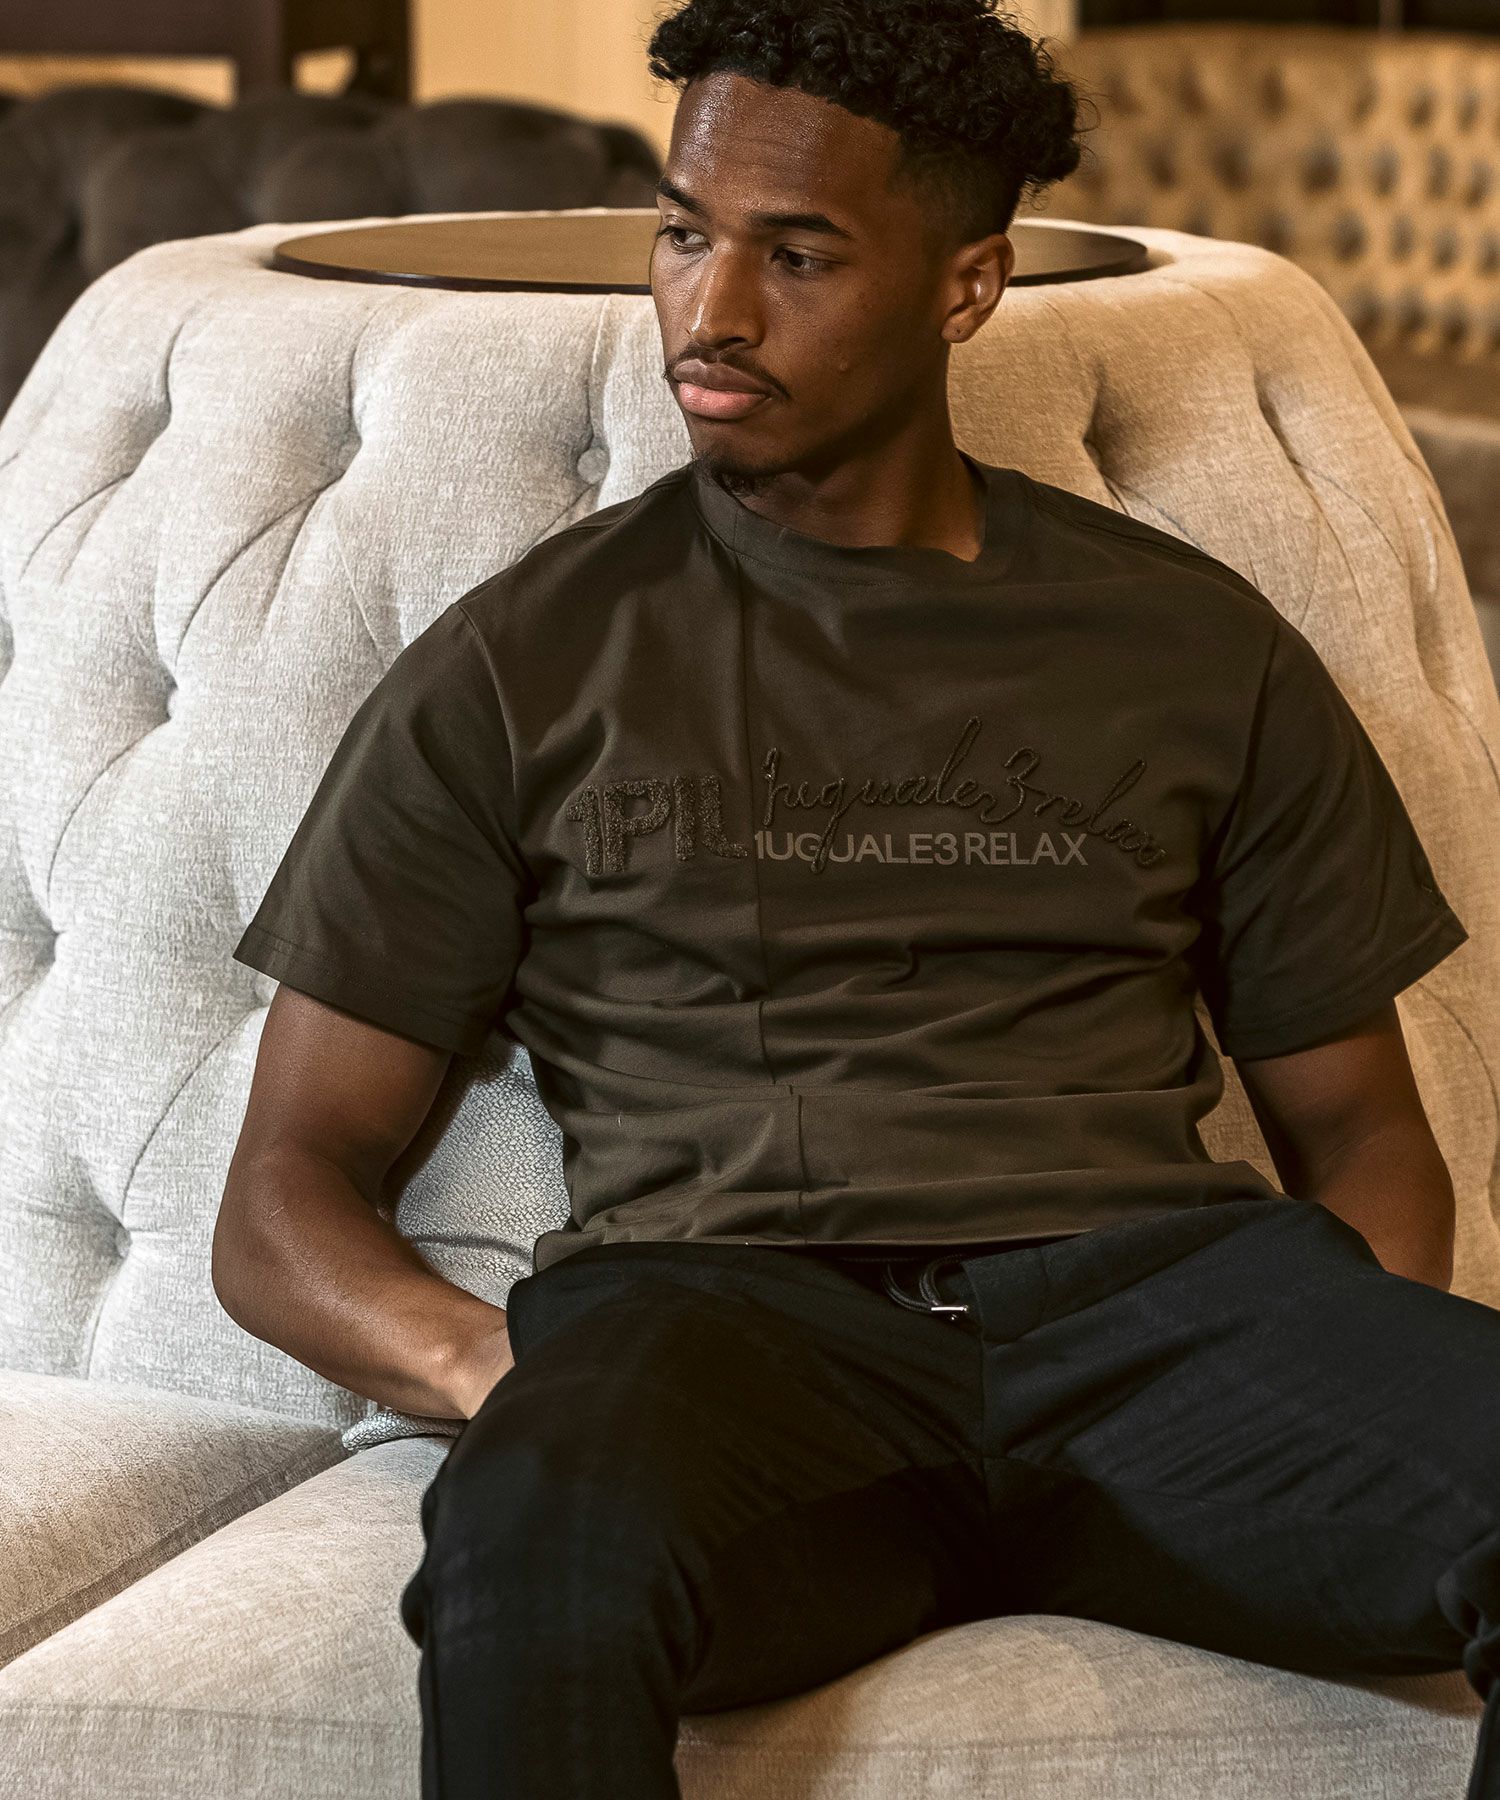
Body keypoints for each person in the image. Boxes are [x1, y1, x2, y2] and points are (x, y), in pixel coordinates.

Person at [211, 1, 1500, 1795]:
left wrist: (1309, 1385)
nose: (712, 311)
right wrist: (508, 1378)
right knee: (534, 1553)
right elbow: (282, 1197)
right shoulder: (521, 665)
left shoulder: (1192, 643)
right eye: (686, 233)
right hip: (727, 1326)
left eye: (798, 255)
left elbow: (1362, 1129)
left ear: (967, 287)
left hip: (1156, 1312)